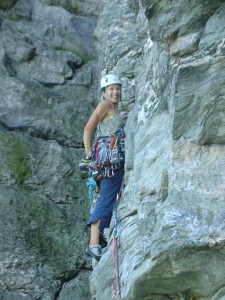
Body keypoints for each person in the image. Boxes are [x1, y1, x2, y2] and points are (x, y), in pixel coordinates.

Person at [83, 73, 125, 261]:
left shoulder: (115, 108)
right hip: (109, 162)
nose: (115, 92)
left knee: (108, 196)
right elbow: (88, 129)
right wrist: (88, 154)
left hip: (113, 160)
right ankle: (93, 243)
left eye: (117, 88)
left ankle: (98, 237)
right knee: (106, 197)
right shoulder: (105, 105)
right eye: (111, 89)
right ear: (104, 93)